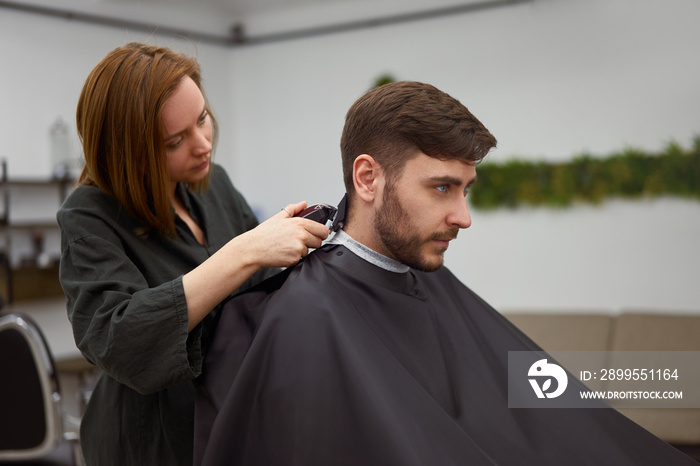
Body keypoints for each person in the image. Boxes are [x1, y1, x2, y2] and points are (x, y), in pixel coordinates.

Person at [195, 81, 695, 465]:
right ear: (367, 178)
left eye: (466, 189)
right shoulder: (307, 314)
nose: (463, 216)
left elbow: (536, 397)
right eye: (441, 188)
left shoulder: (424, 274)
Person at [56, 42, 329, 465]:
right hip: (155, 446)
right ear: (130, 152)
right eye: (174, 141)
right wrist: (244, 251)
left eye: (202, 119)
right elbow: (121, 341)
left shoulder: (213, 185)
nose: (203, 144)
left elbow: (262, 297)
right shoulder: (88, 218)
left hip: (234, 422)